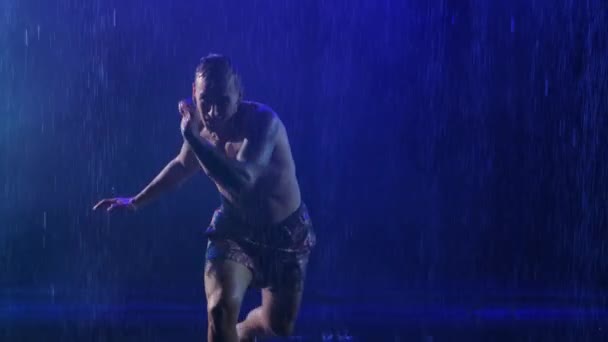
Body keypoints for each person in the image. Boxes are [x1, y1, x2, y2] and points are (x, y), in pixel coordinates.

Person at [93, 54, 316, 341]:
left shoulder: (263, 123)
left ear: (240, 95)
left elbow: (243, 179)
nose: (212, 113)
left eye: (222, 101)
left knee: (279, 325)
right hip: (234, 231)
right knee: (219, 310)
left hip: (286, 233)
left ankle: (244, 332)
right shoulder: (199, 128)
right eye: (205, 101)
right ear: (194, 94)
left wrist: (194, 137)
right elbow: (183, 165)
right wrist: (136, 201)